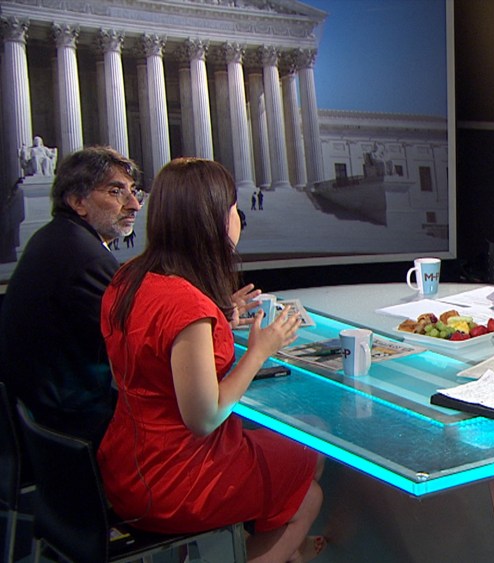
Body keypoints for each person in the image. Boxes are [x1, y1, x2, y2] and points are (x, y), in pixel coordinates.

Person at [98, 158, 325, 562]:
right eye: (233, 208)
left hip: (125, 466)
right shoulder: (187, 306)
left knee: (300, 456)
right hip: (175, 480)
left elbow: (153, 353)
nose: (238, 218)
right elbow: (204, 417)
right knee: (312, 481)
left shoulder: (128, 277)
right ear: (214, 220)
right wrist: (260, 351)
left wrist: (217, 316)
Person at [0, 146, 141, 445]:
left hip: (42, 421)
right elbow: (143, 339)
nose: (134, 205)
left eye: (133, 191)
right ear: (78, 201)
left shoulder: (57, 238)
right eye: (116, 192)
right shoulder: (85, 257)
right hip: (73, 427)